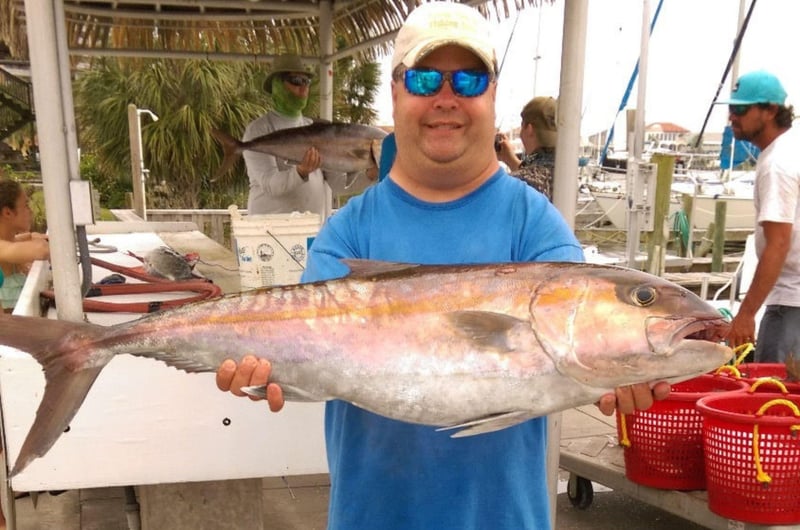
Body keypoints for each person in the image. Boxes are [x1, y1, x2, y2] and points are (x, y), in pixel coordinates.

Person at [216, 3, 668, 529]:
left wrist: (627, 371)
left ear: (493, 94)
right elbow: (305, 347)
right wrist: (263, 368)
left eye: (469, 80)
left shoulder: (535, 226)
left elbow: (580, 341)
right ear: (396, 91)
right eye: (426, 78)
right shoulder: (349, 229)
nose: (445, 99)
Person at [720, 70, 800, 363]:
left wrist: (745, 314)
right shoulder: (792, 148)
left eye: (741, 109)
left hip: (791, 304)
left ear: (771, 111)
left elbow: (778, 244)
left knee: (772, 400)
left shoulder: (777, 163)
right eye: (731, 108)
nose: (732, 117)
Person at [243, 54, 344, 219]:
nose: (303, 87)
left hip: (312, 233)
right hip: (269, 233)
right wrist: (301, 171)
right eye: (296, 80)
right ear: (277, 85)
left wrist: (369, 175)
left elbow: (338, 183)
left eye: (307, 82)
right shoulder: (258, 130)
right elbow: (270, 184)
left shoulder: (316, 128)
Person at [0, 179, 49, 313]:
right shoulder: (4, 249)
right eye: (26, 205)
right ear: (8, 213)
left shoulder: (10, 242)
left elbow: (22, 238)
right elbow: (41, 250)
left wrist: (32, 235)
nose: (31, 211)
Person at [496, 96, 558, 200]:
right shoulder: (568, 176)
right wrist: (511, 160)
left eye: (522, 125)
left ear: (529, 129)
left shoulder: (518, 183)